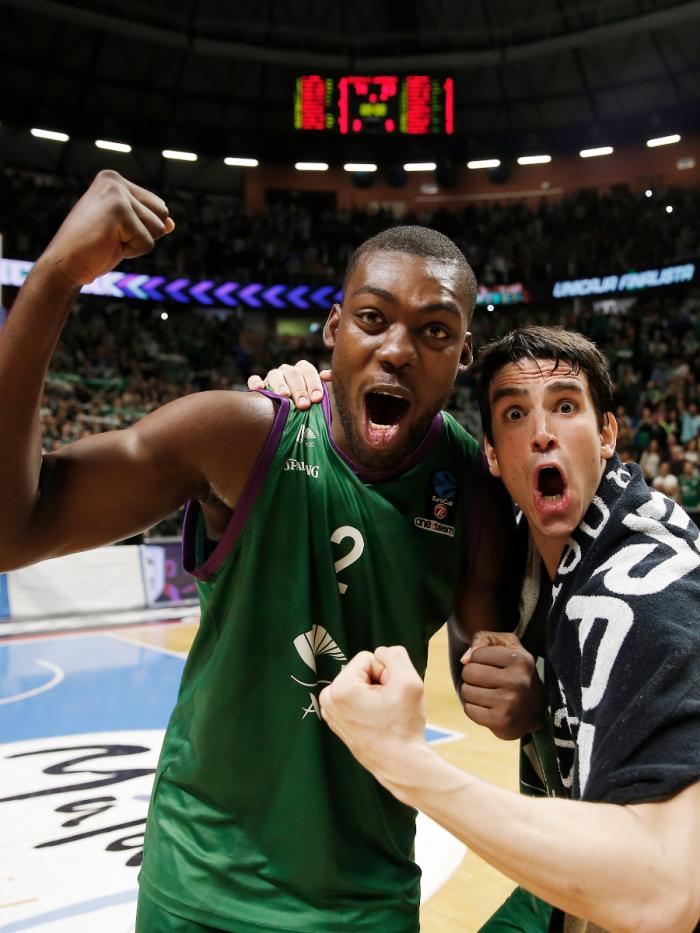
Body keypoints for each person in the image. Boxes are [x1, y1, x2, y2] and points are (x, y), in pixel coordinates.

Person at [0, 170, 521, 933]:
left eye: (435, 331)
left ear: (464, 353)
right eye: (373, 318)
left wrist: (515, 689)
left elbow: (489, 675)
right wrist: (53, 278)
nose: (399, 349)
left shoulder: (474, 488)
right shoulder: (241, 435)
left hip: (361, 898)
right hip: (196, 884)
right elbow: (14, 530)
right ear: (333, 328)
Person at [319, 326, 700, 933]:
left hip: (639, 885)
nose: (543, 432)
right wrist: (309, 402)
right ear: (493, 455)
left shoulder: (640, 593)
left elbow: (666, 893)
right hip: (577, 871)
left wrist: (404, 761)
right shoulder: (522, 547)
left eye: (567, 406)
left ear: (607, 436)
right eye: (516, 414)